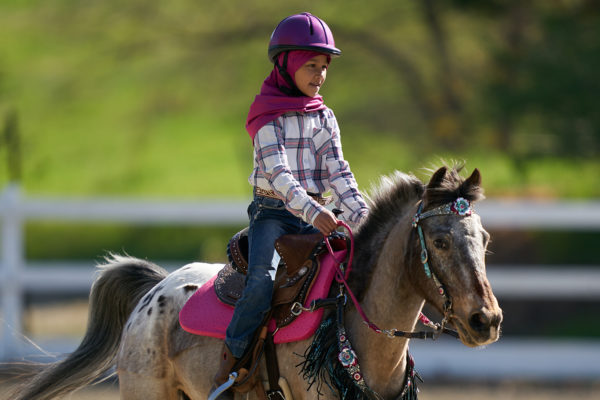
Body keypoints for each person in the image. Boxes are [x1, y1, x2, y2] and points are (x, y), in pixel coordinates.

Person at [211, 12, 369, 396]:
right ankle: (232, 366)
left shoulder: (325, 117)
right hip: (275, 216)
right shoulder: (268, 117)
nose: (320, 74)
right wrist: (315, 212)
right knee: (262, 283)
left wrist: (365, 217)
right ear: (288, 65)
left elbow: (339, 172)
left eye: (324, 66)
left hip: (321, 217)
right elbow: (279, 176)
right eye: (311, 65)